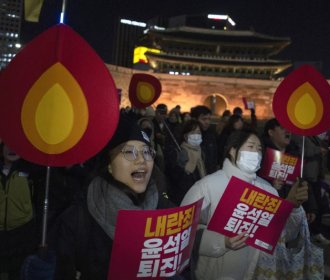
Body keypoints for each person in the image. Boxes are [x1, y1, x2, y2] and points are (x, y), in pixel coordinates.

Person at [50, 116, 174, 280]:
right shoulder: (76, 220)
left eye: (147, 152)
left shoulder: (166, 212)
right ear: (109, 164)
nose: (142, 160)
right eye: (129, 152)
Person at [181, 130, 313, 279]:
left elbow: (283, 235)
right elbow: (184, 233)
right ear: (232, 150)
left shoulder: (268, 190)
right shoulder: (207, 186)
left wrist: (292, 207)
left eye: (259, 150)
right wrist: (221, 242)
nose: (256, 153)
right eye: (250, 147)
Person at [0, 144, 39, 280]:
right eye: (7, 145)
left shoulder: (30, 170)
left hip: (22, 233)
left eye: (14, 144)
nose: (11, 149)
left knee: (17, 273)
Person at [166, 120, 206, 205]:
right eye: (192, 132)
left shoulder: (201, 152)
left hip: (198, 196)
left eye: (198, 132)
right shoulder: (178, 152)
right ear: (185, 136)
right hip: (181, 199)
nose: (196, 135)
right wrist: (181, 166)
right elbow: (173, 178)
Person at [190, 106, 218, 174]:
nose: (207, 122)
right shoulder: (188, 136)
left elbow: (214, 158)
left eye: (209, 119)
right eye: (204, 119)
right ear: (195, 119)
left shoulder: (211, 135)